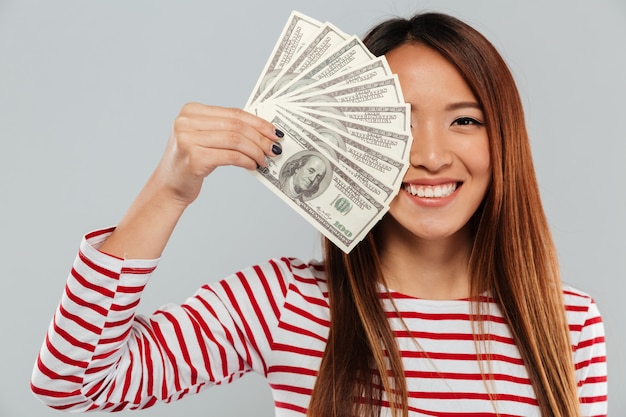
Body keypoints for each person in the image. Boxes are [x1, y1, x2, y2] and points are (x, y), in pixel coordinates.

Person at [30, 12, 607, 417]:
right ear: (354, 136)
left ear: (505, 140)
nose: (430, 157)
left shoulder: (569, 323)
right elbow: (71, 382)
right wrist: (168, 190)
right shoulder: (286, 304)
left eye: (466, 120)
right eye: (400, 124)